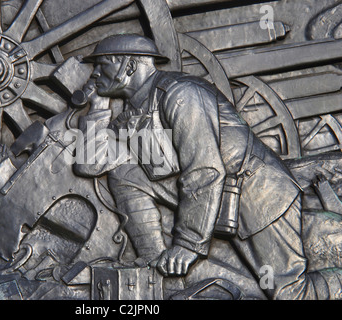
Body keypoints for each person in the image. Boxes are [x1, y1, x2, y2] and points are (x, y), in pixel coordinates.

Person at [73, 33, 342, 299]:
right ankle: (152, 260)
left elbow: (204, 170)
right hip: (215, 202)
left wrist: (187, 245)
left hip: (258, 195)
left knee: (290, 294)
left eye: (102, 64)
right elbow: (91, 165)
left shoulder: (181, 93)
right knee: (124, 172)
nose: (94, 73)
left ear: (129, 65)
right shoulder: (132, 111)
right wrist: (97, 109)